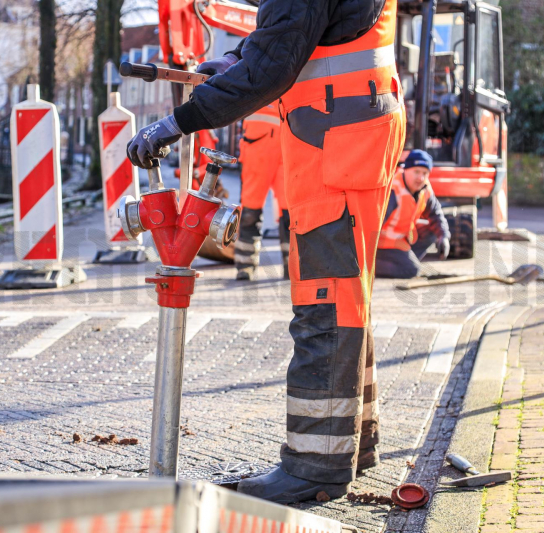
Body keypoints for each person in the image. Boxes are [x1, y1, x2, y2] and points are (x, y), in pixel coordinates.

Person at [126, 0, 405, 503]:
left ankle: (315, 466)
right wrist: (236, 60)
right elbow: (298, 35)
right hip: (352, 131)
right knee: (347, 293)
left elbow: (274, 62)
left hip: (334, 141)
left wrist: (174, 125)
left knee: (327, 300)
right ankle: (351, 444)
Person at [235, 102, 290, 281]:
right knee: (250, 209)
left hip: (287, 146)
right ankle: (245, 266)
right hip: (258, 147)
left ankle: (294, 266)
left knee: (292, 213)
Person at [377, 150, 451, 278]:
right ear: (405, 170)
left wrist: (443, 237)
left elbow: (436, 214)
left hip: (402, 239)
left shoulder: (425, 189)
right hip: (383, 245)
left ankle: (405, 261)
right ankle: (371, 267)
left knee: (433, 232)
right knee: (411, 271)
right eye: (416, 172)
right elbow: (372, 225)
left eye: (425, 173)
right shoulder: (393, 190)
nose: (420, 178)